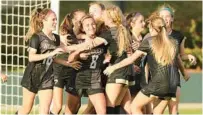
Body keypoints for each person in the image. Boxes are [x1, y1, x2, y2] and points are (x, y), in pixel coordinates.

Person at [104, 16, 184, 114]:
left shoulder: (149, 41)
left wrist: (113, 67)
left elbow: (131, 59)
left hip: (157, 84)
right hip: (172, 84)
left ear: (152, 28)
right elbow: (177, 61)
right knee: (157, 112)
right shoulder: (173, 42)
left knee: (134, 107)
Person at [16, 8, 64, 114]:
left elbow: (65, 50)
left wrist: (66, 62)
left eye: (56, 19)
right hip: (32, 76)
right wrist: (51, 53)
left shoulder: (56, 38)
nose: (56, 22)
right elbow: (31, 57)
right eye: (53, 19)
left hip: (47, 77)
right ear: (43, 20)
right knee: (26, 108)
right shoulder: (36, 37)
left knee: (45, 111)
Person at [50, 10, 86, 115]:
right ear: (74, 20)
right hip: (60, 69)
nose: (84, 19)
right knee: (57, 106)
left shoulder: (84, 34)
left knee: (76, 105)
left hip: (74, 70)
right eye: (81, 18)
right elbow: (61, 47)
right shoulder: (65, 34)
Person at [74, 15, 107, 114]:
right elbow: (70, 59)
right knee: (72, 110)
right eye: (87, 25)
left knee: (102, 111)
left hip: (94, 81)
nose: (91, 27)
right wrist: (79, 54)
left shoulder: (101, 40)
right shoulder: (79, 41)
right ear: (83, 28)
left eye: (93, 24)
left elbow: (107, 54)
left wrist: (107, 59)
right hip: (78, 79)